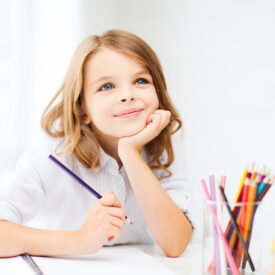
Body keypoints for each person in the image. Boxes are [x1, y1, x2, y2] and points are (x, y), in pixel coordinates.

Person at [0, 29, 194, 258]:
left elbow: (176, 243)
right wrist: (78, 240)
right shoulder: (51, 156)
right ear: (82, 110)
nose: (128, 95)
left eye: (140, 80)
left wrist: (130, 152)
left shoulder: (163, 151)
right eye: (107, 87)